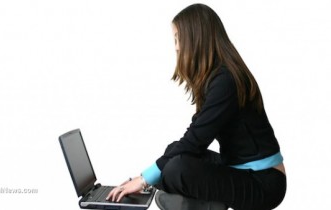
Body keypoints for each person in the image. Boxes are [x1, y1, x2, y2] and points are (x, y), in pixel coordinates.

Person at [106, 3, 286, 210]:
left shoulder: (226, 81)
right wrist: (148, 176)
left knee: (176, 168)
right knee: (173, 151)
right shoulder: (217, 77)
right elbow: (191, 139)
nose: (176, 47)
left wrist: (143, 179)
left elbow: (195, 141)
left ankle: (194, 202)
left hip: (263, 183)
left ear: (196, 38)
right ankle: (197, 200)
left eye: (177, 38)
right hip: (239, 169)